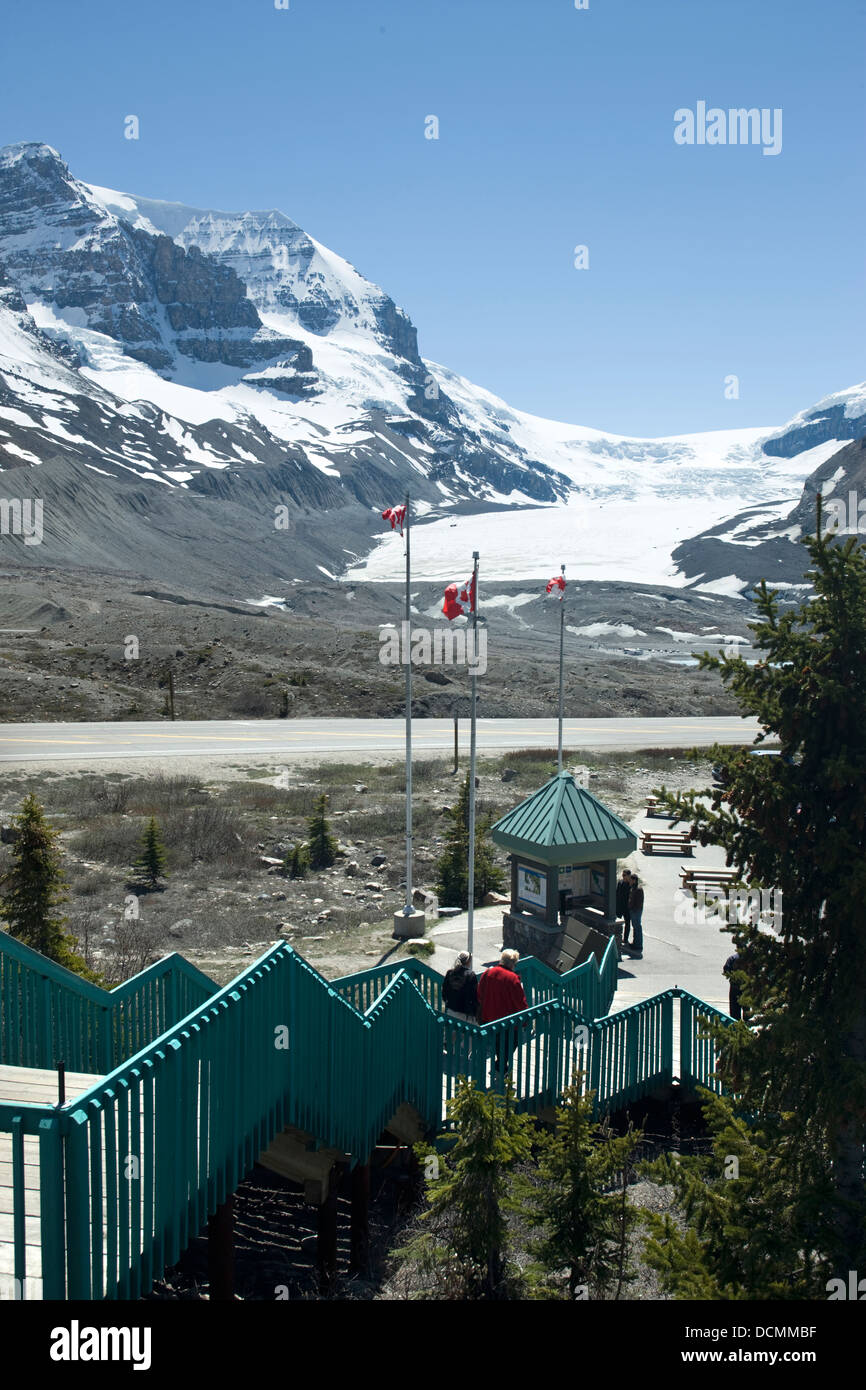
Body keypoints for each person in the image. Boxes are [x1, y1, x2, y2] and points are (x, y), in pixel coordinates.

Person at [478, 949, 529, 1079]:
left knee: (497, 1043)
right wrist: (526, 1020)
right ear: (513, 963)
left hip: (489, 1017)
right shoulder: (513, 979)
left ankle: (500, 1067)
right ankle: (500, 1067)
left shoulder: (488, 972)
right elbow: (520, 1002)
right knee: (513, 1042)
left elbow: (480, 993)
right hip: (508, 1021)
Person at [442, 950, 478, 1022]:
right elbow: (474, 995)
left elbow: (444, 991)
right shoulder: (470, 975)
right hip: (464, 1011)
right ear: (468, 961)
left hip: (451, 1009)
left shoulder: (450, 973)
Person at [627, 874, 644, 958]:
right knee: (635, 927)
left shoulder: (638, 889)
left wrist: (632, 908)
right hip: (634, 910)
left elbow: (638, 902)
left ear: (634, 880)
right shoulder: (633, 888)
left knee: (637, 927)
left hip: (636, 911)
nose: (629, 881)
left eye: (630, 880)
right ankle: (635, 943)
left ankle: (638, 945)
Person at [723, 951, 743, 1020]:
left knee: (734, 1010)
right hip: (747, 987)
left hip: (735, 987)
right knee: (747, 1010)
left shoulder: (732, 958)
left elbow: (726, 970)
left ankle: (736, 1027)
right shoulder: (750, 959)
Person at [616, 867, 632, 947]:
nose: (623, 876)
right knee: (617, 922)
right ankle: (617, 938)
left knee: (627, 923)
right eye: (622, 875)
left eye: (624, 875)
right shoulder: (620, 882)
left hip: (627, 908)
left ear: (629, 876)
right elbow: (617, 893)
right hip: (619, 906)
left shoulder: (631, 885)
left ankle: (625, 939)